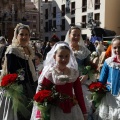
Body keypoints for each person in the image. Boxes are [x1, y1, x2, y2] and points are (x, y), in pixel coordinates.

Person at [31, 41, 87, 120]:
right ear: (54, 57)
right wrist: (40, 114)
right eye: (60, 56)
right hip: (55, 109)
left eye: (67, 56)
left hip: (72, 109)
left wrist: (84, 111)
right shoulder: (50, 73)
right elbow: (41, 94)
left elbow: (79, 93)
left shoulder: (73, 73)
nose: (64, 59)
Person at [0, 23, 37, 120]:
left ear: (29, 36)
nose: (24, 37)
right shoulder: (13, 50)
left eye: (26, 34)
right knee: (21, 115)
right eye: (21, 34)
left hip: (32, 85)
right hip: (18, 89)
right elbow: (11, 72)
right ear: (16, 35)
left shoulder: (30, 50)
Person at [64, 26, 93, 118]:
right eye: (74, 35)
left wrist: (86, 76)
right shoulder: (64, 49)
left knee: (83, 104)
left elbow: (91, 67)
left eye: (78, 35)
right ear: (69, 35)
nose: (76, 37)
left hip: (81, 82)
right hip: (65, 81)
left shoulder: (85, 51)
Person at [93, 37, 120, 120]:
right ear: (112, 48)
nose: (117, 50)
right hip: (110, 96)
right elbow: (102, 80)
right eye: (115, 47)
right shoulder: (108, 62)